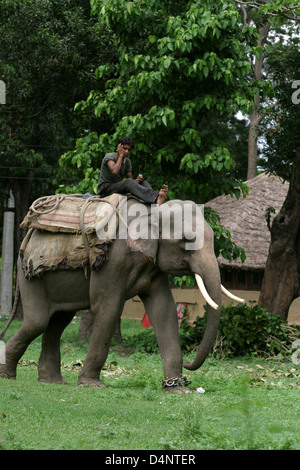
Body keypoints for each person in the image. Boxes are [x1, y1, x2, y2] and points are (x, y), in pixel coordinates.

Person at [97, 137, 168, 205]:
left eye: (129, 150)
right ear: (119, 147)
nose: (126, 151)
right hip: (106, 188)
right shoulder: (110, 157)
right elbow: (114, 171)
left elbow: (130, 179)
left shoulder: (127, 162)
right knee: (128, 182)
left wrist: (136, 181)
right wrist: (120, 156)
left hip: (117, 187)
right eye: (124, 148)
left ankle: (155, 199)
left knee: (143, 183)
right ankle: (155, 198)